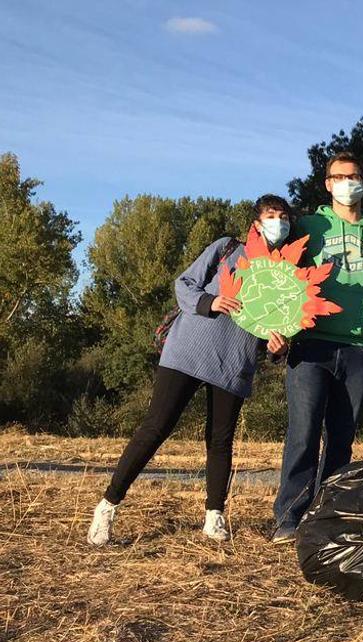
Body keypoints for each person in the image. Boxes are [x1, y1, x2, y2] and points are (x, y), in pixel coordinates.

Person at [88, 195, 294, 545]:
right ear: (256, 223)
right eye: (271, 215)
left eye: (284, 217)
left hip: (233, 362)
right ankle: (107, 505)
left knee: (220, 439)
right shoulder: (227, 249)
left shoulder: (286, 273)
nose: (279, 222)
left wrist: (279, 347)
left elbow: (280, 327)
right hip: (187, 351)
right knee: (156, 427)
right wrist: (209, 302)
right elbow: (184, 284)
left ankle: (214, 516)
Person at [272, 152, 363, 543]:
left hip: (360, 344)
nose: (347, 183)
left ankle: (325, 515)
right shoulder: (309, 226)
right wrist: (276, 325)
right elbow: (278, 271)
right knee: (304, 431)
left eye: (354, 176)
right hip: (312, 342)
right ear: (327, 184)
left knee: (342, 436)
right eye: (339, 177)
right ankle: (288, 518)